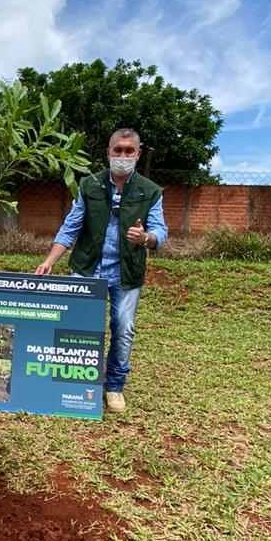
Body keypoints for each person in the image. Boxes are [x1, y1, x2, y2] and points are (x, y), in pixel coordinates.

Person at [35, 128, 167, 414]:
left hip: (126, 271)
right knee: (76, 324)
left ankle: (115, 386)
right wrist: (49, 261)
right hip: (87, 266)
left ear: (138, 154)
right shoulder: (89, 185)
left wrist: (145, 239)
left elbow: (160, 231)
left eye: (128, 151)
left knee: (123, 328)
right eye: (117, 150)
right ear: (108, 153)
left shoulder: (150, 190)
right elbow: (71, 227)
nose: (122, 156)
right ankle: (73, 382)